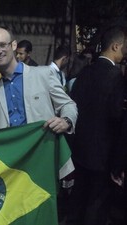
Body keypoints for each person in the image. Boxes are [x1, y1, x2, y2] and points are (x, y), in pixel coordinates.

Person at [67, 26, 127, 225]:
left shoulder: (85, 72)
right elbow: (116, 119)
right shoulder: (116, 77)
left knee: (77, 201)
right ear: (116, 46)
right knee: (96, 206)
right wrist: (118, 164)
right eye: (124, 48)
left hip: (79, 151)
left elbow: (73, 106)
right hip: (103, 156)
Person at [0, 27, 77, 132]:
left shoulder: (44, 74)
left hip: (41, 145)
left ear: (14, 45)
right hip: (11, 147)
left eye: (2, 45)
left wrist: (66, 120)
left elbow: (67, 104)